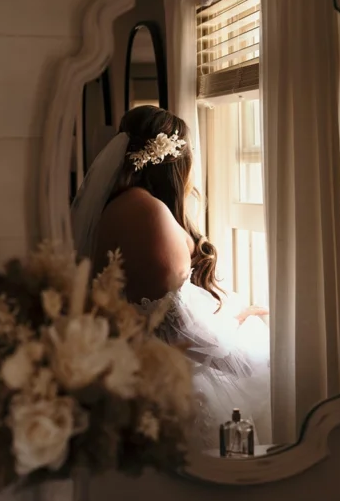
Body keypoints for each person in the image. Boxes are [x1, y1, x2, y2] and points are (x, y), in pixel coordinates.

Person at [71, 105, 271, 451]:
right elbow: (173, 325)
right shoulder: (148, 213)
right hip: (167, 376)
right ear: (175, 161)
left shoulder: (117, 205)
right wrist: (238, 326)